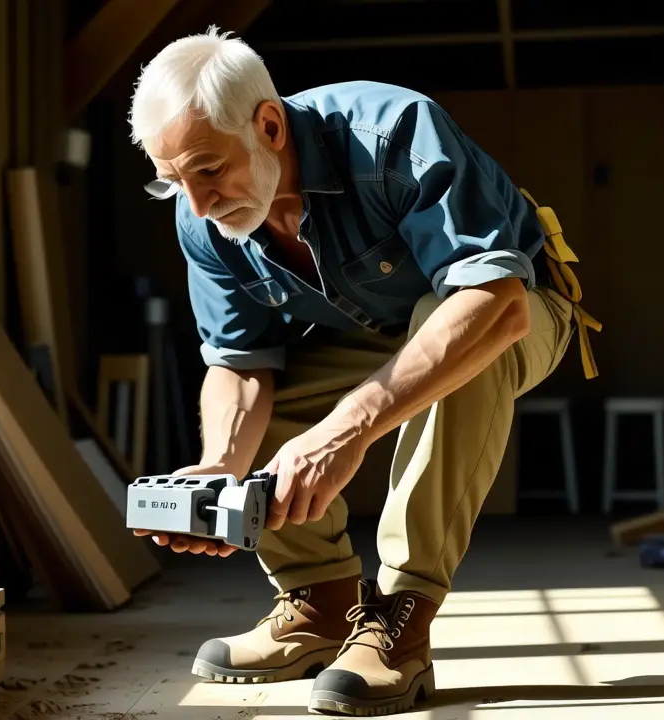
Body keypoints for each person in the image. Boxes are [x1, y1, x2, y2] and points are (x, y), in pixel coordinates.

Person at [127, 26, 601, 716]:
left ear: (268, 124)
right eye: (173, 181)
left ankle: (401, 619)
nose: (197, 203)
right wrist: (221, 468)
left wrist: (343, 430)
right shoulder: (204, 221)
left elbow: (494, 305)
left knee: (455, 331)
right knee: (274, 391)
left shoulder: (393, 134)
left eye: (207, 169)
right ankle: (318, 603)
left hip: (520, 312)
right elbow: (240, 362)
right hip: (373, 333)